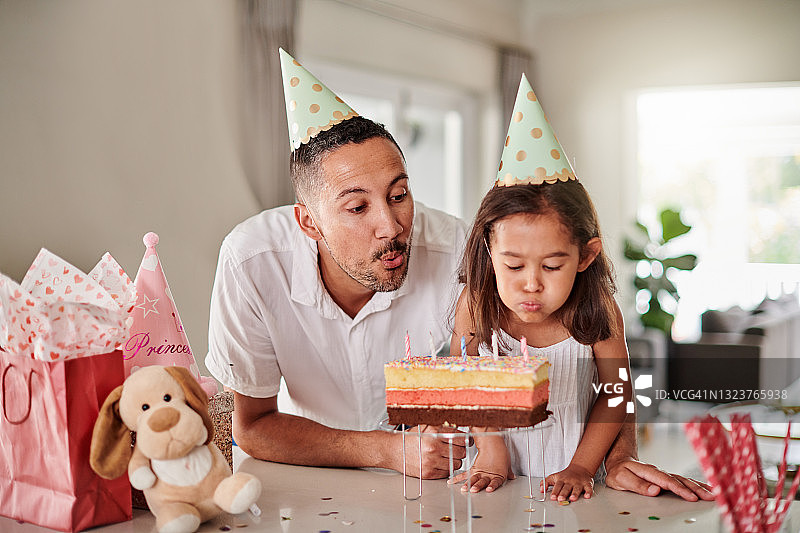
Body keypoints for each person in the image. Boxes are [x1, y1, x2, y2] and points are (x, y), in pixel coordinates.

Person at [205, 50, 712, 502]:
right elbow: (251, 428)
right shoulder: (251, 262)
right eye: (357, 207)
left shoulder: (468, 258)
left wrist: (611, 458)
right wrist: (389, 449)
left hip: (457, 489)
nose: (392, 225)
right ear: (309, 222)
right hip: (310, 486)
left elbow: (607, 381)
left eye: (399, 194)